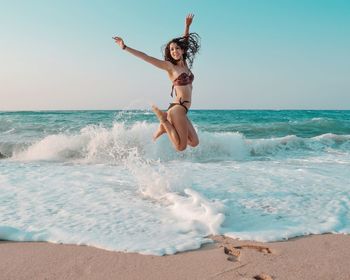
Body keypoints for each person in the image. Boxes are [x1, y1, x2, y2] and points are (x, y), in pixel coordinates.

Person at [113, 14, 200, 151]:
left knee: (194, 142)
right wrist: (125, 47)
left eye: (177, 48)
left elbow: (185, 42)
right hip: (177, 109)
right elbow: (146, 57)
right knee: (180, 147)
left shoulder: (185, 66)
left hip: (183, 111)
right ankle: (164, 120)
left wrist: (187, 27)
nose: (174, 51)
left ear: (182, 50)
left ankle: (166, 127)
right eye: (171, 50)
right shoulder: (170, 67)